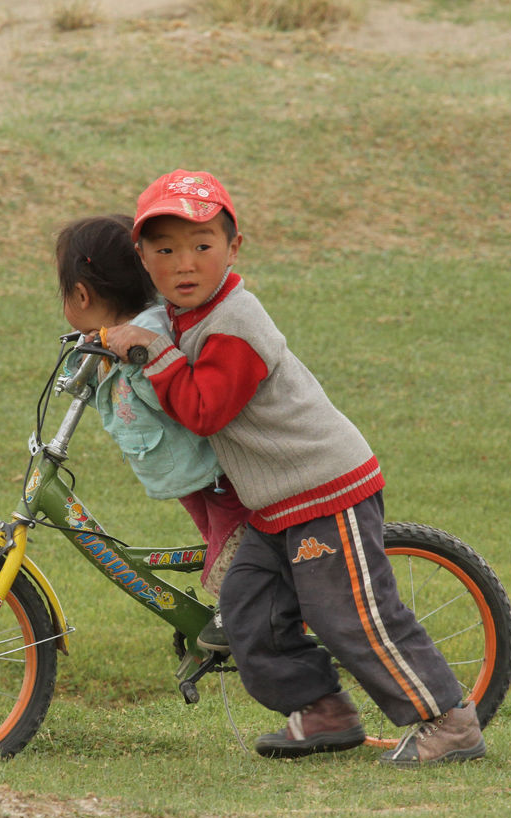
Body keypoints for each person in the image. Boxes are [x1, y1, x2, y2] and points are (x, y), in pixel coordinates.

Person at [103, 170, 485, 767]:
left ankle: (450, 722)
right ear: (143, 257)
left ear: (234, 248)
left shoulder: (237, 321)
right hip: (273, 505)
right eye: (165, 250)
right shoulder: (177, 320)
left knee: (349, 615)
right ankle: (324, 711)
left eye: (203, 246)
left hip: (323, 488)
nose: (185, 264)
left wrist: (152, 354)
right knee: (250, 613)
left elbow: (205, 409)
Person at [56, 215, 252, 607]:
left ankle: (248, 618)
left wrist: (128, 359)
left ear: (80, 296)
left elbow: (175, 395)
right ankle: (242, 608)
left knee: (233, 552)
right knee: (220, 542)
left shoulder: (146, 337)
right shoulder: (112, 339)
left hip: (216, 474)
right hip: (189, 478)